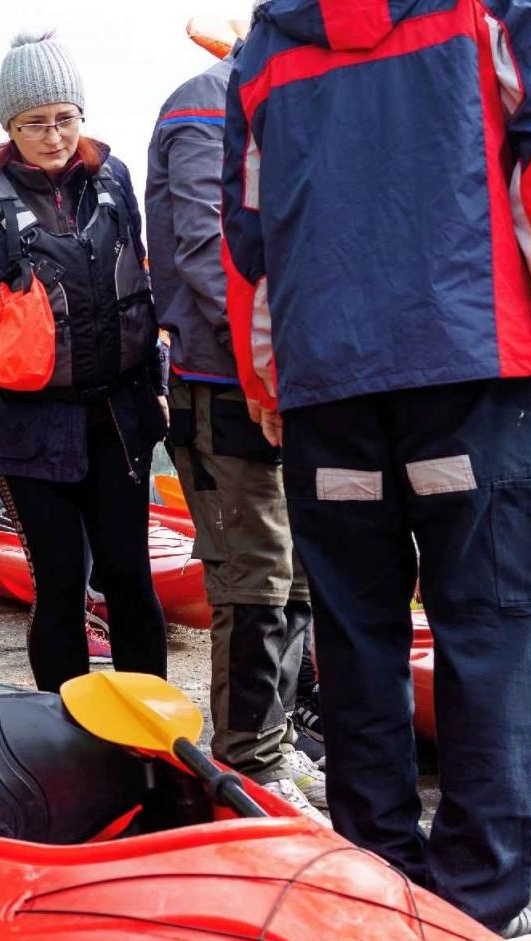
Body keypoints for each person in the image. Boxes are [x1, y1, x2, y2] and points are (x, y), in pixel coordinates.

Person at [223, 0, 531, 941]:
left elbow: (247, 228)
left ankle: (377, 879)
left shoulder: (268, 44)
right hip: (467, 363)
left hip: (329, 384)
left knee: (357, 636)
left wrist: (265, 372)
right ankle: (485, 901)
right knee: (487, 632)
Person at [0, 30, 170, 695]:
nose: (54, 135)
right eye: (35, 123)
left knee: (128, 574)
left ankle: (149, 728)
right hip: (25, 428)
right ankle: (63, 727)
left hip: (119, 417)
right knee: (60, 580)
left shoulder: (113, 179)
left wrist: (159, 386)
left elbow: (143, 285)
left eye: (65, 118)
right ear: (9, 124)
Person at [145, 47, 325, 820]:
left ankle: (277, 739)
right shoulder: (203, 102)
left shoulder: (300, 95)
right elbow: (199, 248)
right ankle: (247, 755)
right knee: (257, 575)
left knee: (301, 577)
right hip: (225, 385)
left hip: (300, 382)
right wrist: (269, 357)